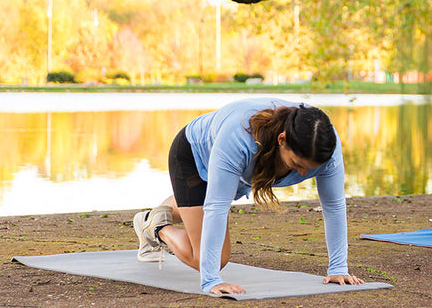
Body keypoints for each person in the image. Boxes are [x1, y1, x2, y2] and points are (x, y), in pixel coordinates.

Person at [132, 98, 364, 295]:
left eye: (311, 168)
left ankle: (157, 215)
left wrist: (338, 268)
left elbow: (333, 206)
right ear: (282, 140)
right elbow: (217, 206)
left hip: (242, 166)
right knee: (209, 259)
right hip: (193, 155)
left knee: (200, 208)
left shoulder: (324, 146)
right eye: (297, 164)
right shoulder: (239, 139)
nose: (303, 173)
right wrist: (211, 280)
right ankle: (155, 226)